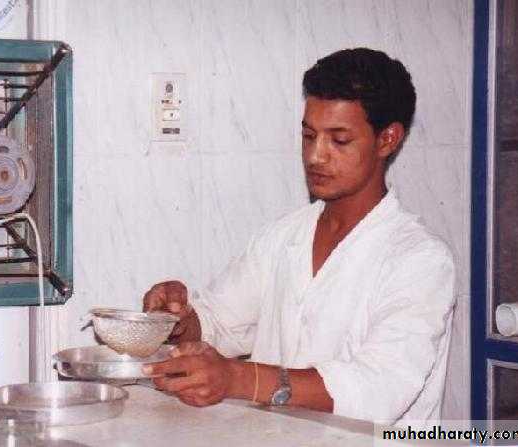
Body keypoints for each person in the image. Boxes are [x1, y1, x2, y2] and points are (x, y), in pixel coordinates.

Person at [141, 48, 455, 426]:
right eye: (309, 136)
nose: (316, 156)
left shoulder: (420, 259)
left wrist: (240, 379)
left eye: (339, 140)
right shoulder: (283, 237)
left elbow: (378, 389)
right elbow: (219, 324)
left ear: (387, 139)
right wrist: (176, 320)